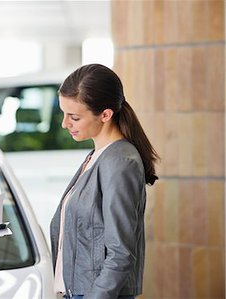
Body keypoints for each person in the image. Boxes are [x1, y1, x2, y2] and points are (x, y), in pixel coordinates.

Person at [50, 64, 159, 299]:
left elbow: (121, 252)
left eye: (75, 117)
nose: (65, 123)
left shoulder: (120, 162)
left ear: (106, 115)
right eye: (64, 113)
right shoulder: (97, 156)